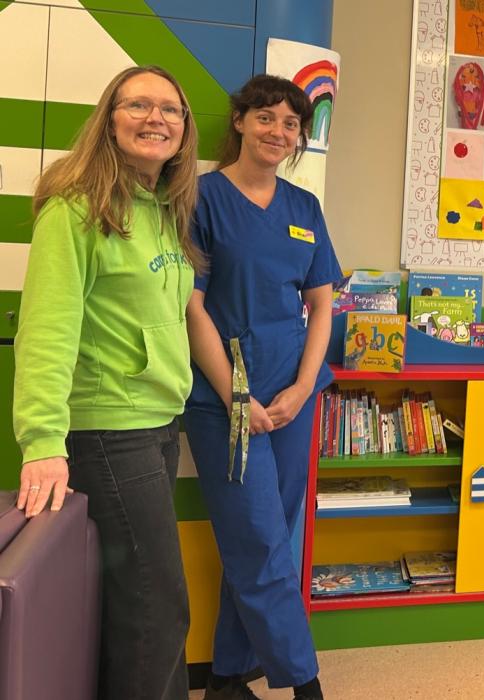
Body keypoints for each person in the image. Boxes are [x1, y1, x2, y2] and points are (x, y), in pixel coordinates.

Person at [12, 65, 199, 699]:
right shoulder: (75, 209)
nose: (156, 119)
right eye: (138, 105)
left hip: (157, 425)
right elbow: (46, 329)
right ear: (109, 119)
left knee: (138, 609)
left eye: (170, 109)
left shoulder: (164, 207)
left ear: (184, 128)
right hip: (109, 430)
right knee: (157, 610)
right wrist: (42, 440)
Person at [183, 74, 341, 700]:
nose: (279, 131)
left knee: (269, 537)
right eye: (267, 117)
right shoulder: (201, 198)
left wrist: (302, 388)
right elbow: (191, 307)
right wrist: (235, 397)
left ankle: (225, 678)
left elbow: (322, 305)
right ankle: (305, 683)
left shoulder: (304, 208)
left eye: (291, 123)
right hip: (227, 397)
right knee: (260, 540)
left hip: (293, 396)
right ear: (241, 121)